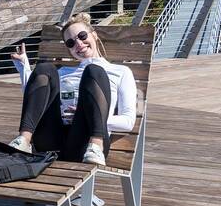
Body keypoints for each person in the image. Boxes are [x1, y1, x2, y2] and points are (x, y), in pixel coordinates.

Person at [7, 12, 137, 167]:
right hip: (52, 140)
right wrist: (24, 67)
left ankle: (96, 145)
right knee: (45, 68)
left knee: (94, 70)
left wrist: (91, 116)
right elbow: (36, 100)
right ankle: (24, 141)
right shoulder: (62, 72)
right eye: (70, 43)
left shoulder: (121, 72)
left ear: (94, 35)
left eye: (82, 36)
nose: (79, 44)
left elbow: (128, 121)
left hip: (84, 141)